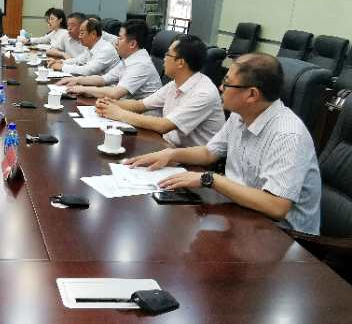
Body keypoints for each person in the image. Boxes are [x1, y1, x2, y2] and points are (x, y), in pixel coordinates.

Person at [125, 54, 321, 235]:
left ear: (251, 94)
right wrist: (170, 154)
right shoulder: (240, 115)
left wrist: (211, 179)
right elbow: (209, 152)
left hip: (282, 236)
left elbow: (276, 206)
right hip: (241, 212)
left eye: (227, 83)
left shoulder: (288, 134)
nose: (220, 88)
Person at [95, 34, 225, 147]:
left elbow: (163, 125)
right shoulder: (175, 83)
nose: (164, 58)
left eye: (168, 54)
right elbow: (141, 105)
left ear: (180, 62)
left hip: (190, 160)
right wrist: (109, 103)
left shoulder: (203, 93)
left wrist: (119, 113)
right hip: (167, 145)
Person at [57, 21, 160, 99]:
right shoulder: (128, 59)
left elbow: (116, 93)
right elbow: (103, 79)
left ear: (132, 44)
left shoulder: (141, 64)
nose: (116, 41)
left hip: (144, 115)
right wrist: (76, 80)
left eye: (120, 38)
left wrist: (84, 89)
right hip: (127, 106)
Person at [48, 17, 119, 75]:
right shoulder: (90, 47)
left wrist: (62, 67)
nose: (79, 36)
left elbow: (88, 70)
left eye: (82, 33)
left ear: (93, 34)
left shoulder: (105, 49)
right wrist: (60, 62)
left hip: (109, 86)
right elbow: (78, 61)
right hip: (94, 83)